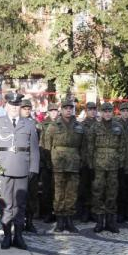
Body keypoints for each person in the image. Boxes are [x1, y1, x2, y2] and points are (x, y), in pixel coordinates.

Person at [0, 91, 39, 247]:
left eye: (17, 105)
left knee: (20, 205)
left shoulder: (29, 124)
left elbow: (34, 149)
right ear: (6, 105)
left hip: (23, 168)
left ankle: (19, 235)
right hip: (4, 168)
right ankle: (6, 235)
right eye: (12, 105)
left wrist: (34, 168)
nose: (15, 108)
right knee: (6, 204)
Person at [44, 99, 85, 233]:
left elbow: (84, 146)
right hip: (58, 163)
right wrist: (50, 162)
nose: (68, 110)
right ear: (61, 110)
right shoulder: (54, 126)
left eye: (70, 108)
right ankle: (60, 221)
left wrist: (81, 161)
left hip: (73, 162)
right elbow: (46, 146)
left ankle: (69, 220)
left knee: (72, 192)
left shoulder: (79, 126)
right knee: (59, 192)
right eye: (66, 108)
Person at [88, 102, 123, 233]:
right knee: (98, 191)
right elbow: (90, 146)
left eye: (110, 111)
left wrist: (121, 161)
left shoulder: (118, 127)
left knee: (112, 191)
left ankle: (111, 221)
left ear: (113, 112)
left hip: (113, 164)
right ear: (101, 113)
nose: (107, 113)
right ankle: (99, 221)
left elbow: (123, 146)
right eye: (105, 111)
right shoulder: (95, 127)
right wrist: (90, 163)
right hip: (99, 164)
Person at [20, 99, 40, 232]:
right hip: (19, 164)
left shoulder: (35, 124)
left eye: (28, 108)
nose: (26, 111)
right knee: (20, 196)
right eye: (24, 108)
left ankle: (30, 222)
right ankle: (19, 222)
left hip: (31, 163)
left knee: (32, 196)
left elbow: (37, 147)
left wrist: (35, 167)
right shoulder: (15, 123)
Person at [39, 102, 58, 224]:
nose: (54, 113)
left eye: (56, 111)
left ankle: (56, 212)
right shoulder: (42, 125)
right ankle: (47, 213)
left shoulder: (61, 124)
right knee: (46, 190)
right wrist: (45, 161)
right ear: (48, 112)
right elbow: (41, 144)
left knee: (57, 189)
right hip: (45, 161)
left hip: (58, 162)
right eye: (52, 111)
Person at [77, 102, 97, 222]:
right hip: (84, 160)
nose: (92, 111)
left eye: (94, 109)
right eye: (90, 109)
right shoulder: (81, 126)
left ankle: (94, 211)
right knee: (83, 187)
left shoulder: (100, 125)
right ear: (86, 111)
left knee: (96, 187)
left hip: (96, 161)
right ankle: (84, 211)